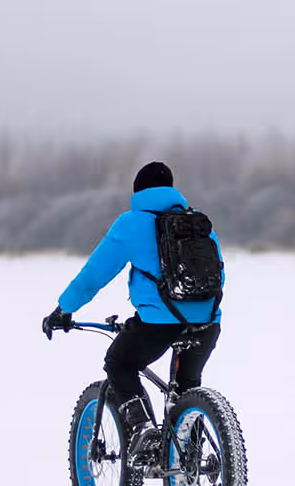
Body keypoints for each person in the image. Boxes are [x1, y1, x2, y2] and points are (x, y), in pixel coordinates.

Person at [42, 161, 223, 462]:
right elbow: (219, 274)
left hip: (158, 324)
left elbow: (93, 276)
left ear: (139, 191)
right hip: (206, 323)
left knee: (119, 362)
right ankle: (190, 455)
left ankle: (143, 430)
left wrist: (63, 309)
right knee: (187, 386)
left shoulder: (131, 224)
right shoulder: (198, 225)